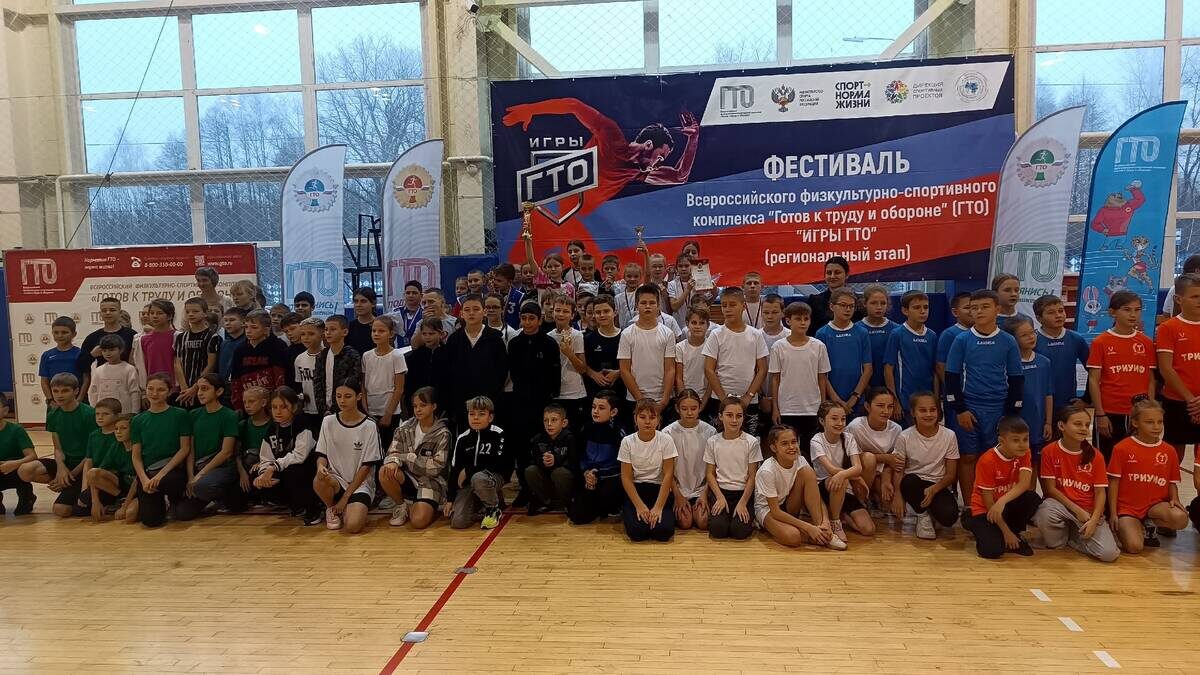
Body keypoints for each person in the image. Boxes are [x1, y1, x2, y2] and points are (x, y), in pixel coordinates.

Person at [502, 98, 699, 255]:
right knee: (520, 261)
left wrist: (693, 138)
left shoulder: (639, 172)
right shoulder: (611, 136)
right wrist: (531, 109)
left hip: (571, 223)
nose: (659, 163)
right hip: (549, 213)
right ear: (648, 145)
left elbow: (680, 176)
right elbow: (574, 105)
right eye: (660, 156)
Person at [945, 289, 1024, 515]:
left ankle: (992, 504)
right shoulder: (962, 340)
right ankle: (971, 506)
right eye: (974, 308)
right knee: (968, 456)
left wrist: (1010, 413)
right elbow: (951, 377)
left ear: (997, 310)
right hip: (969, 407)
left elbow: (1017, 378)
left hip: (998, 409)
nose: (979, 311)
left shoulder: (1008, 341)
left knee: (992, 457)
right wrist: (960, 409)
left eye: (985, 307)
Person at [1034, 402, 1119, 562]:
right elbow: (1050, 490)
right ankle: (1062, 539)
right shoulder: (1049, 451)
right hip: (1062, 506)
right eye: (1078, 424)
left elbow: (1101, 493)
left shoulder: (1096, 456)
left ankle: (1075, 538)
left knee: (1109, 554)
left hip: (1088, 511)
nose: (1083, 428)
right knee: (1045, 512)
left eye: (1087, 425)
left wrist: (1094, 520)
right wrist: (1076, 510)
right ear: (1061, 426)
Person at [1107, 396, 1189, 552]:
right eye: (1150, 422)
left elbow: (1172, 481)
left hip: (1155, 505)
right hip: (1128, 508)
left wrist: (1175, 498)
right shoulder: (1122, 448)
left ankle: (1150, 523)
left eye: (1160, 422)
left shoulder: (1169, 450)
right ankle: (1130, 528)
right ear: (1135, 422)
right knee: (1134, 547)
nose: (1156, 426)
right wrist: (1113, 513)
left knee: (1180, 518)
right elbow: (1113, 482)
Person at [1087, 290, 1156, 461]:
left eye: (1137, 310)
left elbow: (1151, 380)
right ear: (1112, 312)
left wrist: (1149, 410)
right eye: (1127, 309)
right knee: (1106, 460)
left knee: (1136, 460)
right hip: (1110, 412)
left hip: (1137, 413)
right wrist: (1100, 414)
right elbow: (1094, 380)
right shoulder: (1101, 342)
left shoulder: (1146, 343)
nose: (1133, 314)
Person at [17, 373, 96, 517]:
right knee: (25, 470)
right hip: (67, 464)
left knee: (61, 510)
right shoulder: (53, 414)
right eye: (56, 391)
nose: (59, 395)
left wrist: (71, 475)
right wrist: (60, 468)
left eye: (65, 391)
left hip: (85, 466)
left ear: (76, 391)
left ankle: (81, 493)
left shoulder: (89, 414)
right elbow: (58, 448)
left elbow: (92, 452)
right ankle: (65, 486)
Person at [963, 416, 1040, 559]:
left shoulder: (1025, 452)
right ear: (1002, 441)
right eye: (1016, 440)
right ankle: (972, 520)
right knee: (991, 551)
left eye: (1025, 439)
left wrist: (1002, 501)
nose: (1022, 445)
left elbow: (1024, 484)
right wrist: (1006, 532)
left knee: (1032, 498)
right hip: (986, 507)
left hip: (1002, 504)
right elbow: (988, 503)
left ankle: (1014, 532)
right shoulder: (987, 460)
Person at [755, 425, 843, 550]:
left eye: (794, 442)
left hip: (788, 503)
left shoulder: (800, 460)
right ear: (774, 448)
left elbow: (817, 497)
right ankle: (819, 536)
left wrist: (826, 522)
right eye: (784, 444)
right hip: (768, 510)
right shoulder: (767, 470)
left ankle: (822, 530)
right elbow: (776, 512)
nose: (791, 447)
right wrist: (808, 527)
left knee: (807, 472)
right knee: (793, 537)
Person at [313, 381, 382, 534]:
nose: (342, 400)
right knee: (318, 480)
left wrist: (345, 497)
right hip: (336, 480)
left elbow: (367, 466)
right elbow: (321, 454)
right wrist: (320, 466)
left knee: (353, 526)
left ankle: (349, 507)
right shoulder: (328, 421)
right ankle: (331, 508)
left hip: (360, 484)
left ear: (358, 396)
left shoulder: (370, 426)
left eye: (347, 396)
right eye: (338, 396)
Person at [889, 392, 960, 539]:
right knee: (909, 481)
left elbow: (951, 475)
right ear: (913, 413)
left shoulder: (949, 435)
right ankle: (922, 515)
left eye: (932, 410)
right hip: (914, 484)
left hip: (938, 484)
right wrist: (897, 494)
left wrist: (934, 489)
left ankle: (931, 512)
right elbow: (898, 469)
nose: (928, 414)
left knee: (949, 517)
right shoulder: (905, 436)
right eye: (922, 410)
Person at [379, 387, 452, 529]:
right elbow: (391, 453)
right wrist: (394, 461)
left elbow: (435, 468)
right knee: (385, 470)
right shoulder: (404, 427)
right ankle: (401, 505)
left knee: (418, 522)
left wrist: (407, 458)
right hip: (408, 477)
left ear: (434, 406)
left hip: (430, 482)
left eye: (423, 405)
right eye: (415, 406)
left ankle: (421, 504)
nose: (418, 409)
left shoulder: (443, 433)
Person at [129, 373, 193, 527]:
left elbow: (185, 448)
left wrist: (160, 474)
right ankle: (158, 501)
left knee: (166, 482)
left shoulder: (180, 415)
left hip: (172, 471)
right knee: (150, 521)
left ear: (169, 392)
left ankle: (174, 498)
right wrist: (144, 479)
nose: (154, 393)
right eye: (150, 389)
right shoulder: (138, 420)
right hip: (148, 473)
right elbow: (136, 456)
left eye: (160, 390)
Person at [703, 286, 769, 433]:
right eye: (724, 305)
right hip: (720, 399)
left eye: (732, 305)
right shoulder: (716, 334)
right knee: (719, 439)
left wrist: (749, 396)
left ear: (743, 306)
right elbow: (708, 369)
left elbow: (762, 369)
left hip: (748, 400)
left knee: (749, 440)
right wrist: (723, 398)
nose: (727, 309)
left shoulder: (755, 335)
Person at [252, 387, 322, 525]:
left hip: (307, 469)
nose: (278, 411)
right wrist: (263, 475)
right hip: (282, 467)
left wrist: (274, 467)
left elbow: (300, 456)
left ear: (294, 407)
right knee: (256, 476)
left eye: (283, 407)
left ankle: (314, 508)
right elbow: (266, 457)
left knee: (294, 470)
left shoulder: (302, 423)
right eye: (274, 407)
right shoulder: (272, 428)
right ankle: (295, 504)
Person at [175, 375, 240, 520]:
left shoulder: (229, 416)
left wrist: (200, 475)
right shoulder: (193, 415)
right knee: (182, 513)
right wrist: (191, 476)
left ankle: (222, 496)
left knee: (202, 485)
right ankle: (207, 500)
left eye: (204, 389)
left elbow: (226, 452)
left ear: (219, 391)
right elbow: (190, 449)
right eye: (198, 389)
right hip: (199, 468)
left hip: (221, 468)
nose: (200, 393)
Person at [810, 401, 874, 547]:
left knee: (868, 529)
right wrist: (854, 477)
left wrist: (849, 475)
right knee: (840, 479)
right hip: (823, 487)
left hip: (844, 487)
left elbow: (858, 467)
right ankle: (835, 520)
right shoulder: (817, 440)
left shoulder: (848, 438)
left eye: (843, 419)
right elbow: (832, 470)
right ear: (822, 421)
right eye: (834, 419)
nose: (840, 423)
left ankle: (842, 514)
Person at [770, 301, 830, 456]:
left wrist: (823, 406)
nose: (803, 323)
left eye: (806, 319)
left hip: (812, 408)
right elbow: (775, 379)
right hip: (787, 408)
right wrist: (775, 407)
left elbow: (822, 378)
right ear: (788, 321)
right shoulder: (778, 347)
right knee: (789, 450)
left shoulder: (818, 346)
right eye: (798, 319)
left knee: (812, 451)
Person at [444, 294, 508, 432]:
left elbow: (502, 371)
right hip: (462, 402)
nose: (471, 313)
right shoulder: (454, 340)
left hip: (489, 400)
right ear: (461, 314)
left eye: (476, 309)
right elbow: (448, 373)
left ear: (484, 312)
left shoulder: (495, 338)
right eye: (467, 310)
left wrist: (492, 396)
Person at [1155, 272, 1200, 465]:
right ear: (1178, 299)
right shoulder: (1168, 328)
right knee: (1174, 457)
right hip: (1177, 401)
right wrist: (1191, 401)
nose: (1199, 300)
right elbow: (1166, 369)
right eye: (1195, 296)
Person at [619, 398, 678, 542]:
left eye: (652, 417)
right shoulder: (627, 442)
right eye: (642, 417)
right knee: (637, 533)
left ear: (658, 420)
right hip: (637, 490)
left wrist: (658, 507)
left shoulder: (666, 440)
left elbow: (668, 475)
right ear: (635, 418)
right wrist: (640, 506)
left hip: (659, 489)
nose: (647, 422)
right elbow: (626, 478)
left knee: (663, 532)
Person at [703, 397, 762, 540]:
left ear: (743, 418)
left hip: (743, 493)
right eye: (729, 415)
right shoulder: (713, 441)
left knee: (739, 532)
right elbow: (710, 474)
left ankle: (749, 517)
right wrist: (719, 497)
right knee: (718, 530)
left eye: (739, 416)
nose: (734, 420)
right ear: (720, 416)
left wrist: (743, 502)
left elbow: (752, 476)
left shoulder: (751, 442)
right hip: (721, 492)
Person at [618, 284, 676, 426]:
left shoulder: (668, 334)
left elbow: (670, 369)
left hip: (662, 399)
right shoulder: (627, 334)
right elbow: (624, 370)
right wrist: (641, 400)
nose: (648, 306)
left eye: (652, 303)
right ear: (636, 305)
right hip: (635, 399)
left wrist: (664, 401)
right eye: (643, 303)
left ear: (658, 305)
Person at [449, 396, 507, 530]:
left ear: (490, 417)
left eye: (481, 414)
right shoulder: (462, 438)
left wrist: (469, 471)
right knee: (458, 522)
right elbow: (455, 469)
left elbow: (499, 463)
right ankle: (480, 505)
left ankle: (493, 509)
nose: (475, 418)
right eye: (471, 414)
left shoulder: (499, 434)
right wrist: (450, 499)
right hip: (468, 484)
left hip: (492, 478)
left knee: (478, 478)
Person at [568, 390, 625, 524]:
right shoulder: (586, 428)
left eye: (601, 408)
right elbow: (581, 455)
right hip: (589, 477)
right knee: (577, 517)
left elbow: (623, 465)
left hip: (610, 479)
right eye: (593, 407)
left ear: (613, 412)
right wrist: (586, 472)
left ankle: (611, 508)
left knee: (608, 493)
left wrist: (597, 474)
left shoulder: (619, 432)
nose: (595, 411)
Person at [664, 389, 716, 531]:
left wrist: (704, 494)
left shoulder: (710, 432)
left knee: (703, 523)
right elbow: (666, 469)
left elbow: (714, 468)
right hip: (678, 488)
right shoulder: (668, 433)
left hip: (702, 488)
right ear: (677, 409)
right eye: (684, 409)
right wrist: (677, 495)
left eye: (693, 408)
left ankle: (697, 506)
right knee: (685, 523)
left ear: (700, 408)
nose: (689, 413)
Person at [884, 290, 938, 422]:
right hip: (904, 400)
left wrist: (936, 399)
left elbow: (935, 370)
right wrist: (894, 401)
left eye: (926, 307)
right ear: (905, 310)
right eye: (917, 307)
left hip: (926, 401)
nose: (922, 311)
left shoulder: (932, 335)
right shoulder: (897, 334)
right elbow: (888, 369)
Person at [816, 288, 872, 415]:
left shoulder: (861, 333)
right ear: (832, 306)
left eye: (851, 306)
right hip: (832, 399)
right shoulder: (822, 334)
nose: (848, 309)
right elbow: (821, 372)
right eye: (843, 305)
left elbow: (868, 369)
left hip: (857, 399)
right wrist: (835, 399)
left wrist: (855, 397)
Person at [1007, 316, 1053, 466]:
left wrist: (1048, 422)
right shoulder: (1007, 363)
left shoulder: (1044, 362)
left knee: (1034, 463)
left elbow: (1048, 394)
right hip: (1015, 422)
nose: (1031, 337)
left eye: (1032, 332)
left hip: (1037, 424)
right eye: (1024, 335)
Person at [77, 399, 134, 521]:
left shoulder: (126, 442)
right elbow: (92, 467)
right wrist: (94, 500)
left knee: (130, 515)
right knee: (82, 504)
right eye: (97, 414)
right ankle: (120, 499)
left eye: (105, 414)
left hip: (130, 482)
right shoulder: (95, 436)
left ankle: (123, 502)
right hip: (112, 482)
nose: (100, 417)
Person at [845, 388, 902, 509]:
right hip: (859, 474)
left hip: (883, 473)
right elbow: (848, 458)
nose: (886, 411)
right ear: (867, 406)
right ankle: (860, 501)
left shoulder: (896, 429)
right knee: (869, 458)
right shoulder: (855, 427)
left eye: (890, 407)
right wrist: (885, 457)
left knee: (888, 503)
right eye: (880, 406)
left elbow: (894, 460)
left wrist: (886, 480)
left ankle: (875, 495)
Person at [1032, 294, 1089, 409]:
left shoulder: (1076, 339)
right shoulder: (1032, 340)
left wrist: (1086, 399)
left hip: (1068, 404)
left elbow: (1094, 371)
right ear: (1039, 318)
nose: (1058, 315)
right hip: (1038, 404)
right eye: (1051, 312)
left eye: (1061, 311)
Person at [362, 316, 407, 450]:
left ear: (391, 334)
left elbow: (399, 389)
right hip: (370, 411)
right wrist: (365, 410)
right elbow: (363, 386)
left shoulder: (397, 356)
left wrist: (388, 414)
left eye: (381, 331)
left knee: (387, 447)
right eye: (374, 331)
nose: (376, 334)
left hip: (390, 412)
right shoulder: (366, 356)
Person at [229, 310, 288, 413]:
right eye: (246, 327)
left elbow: (281, 377)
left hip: (271, 401)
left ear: (266, 329)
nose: (248, 331)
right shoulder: (240, 349)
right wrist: (237, 404)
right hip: (248, 401)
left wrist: (278, 400)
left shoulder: (277, 346)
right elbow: (236, 379)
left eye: (254, 327)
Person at [77, 297, 137, 398]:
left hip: (127, 383)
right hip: (104, 385)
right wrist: (92, 355)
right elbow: (80, 365)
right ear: (100, 314)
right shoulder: (93, 337)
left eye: (112, 310)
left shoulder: (132, 335)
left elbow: (140, 361)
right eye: (104, 310)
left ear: (120, 312)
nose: (108, 313)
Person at [524, 403, 576, 514]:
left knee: (560, 473)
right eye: (545, 420)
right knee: (530, 470)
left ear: (564, 423)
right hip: (546, 478)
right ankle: (545, 502)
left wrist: (556, 460)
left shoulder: (570, 439)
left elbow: (575, 462)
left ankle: (567, 502)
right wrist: (542, 461)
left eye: (554, 420)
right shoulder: (538, 439)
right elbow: (532, 460)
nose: (549, 424)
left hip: (564, 479)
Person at [550, 295, 589, 432]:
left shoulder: (577, 335)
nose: (561, 314)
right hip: (555, 393)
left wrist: (569, 353)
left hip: (574, 394)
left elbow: (582, 368)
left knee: (573, 432)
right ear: (552, 312)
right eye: (558, 310)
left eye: (566, 311)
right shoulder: (548, 336)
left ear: (572, 315)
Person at [173, 298, 221, 409]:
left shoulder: (212, 337)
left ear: (205, 313)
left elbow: (211, 365)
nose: (190, 314)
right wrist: (184, 387)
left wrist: (195, 388)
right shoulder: (181, 337)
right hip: (184, 389)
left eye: (195, 311)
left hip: (204, 388)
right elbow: (177, 363)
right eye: (187, 311)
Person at [313, 315, 362, 418]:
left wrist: (336, 408)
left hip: (345, 409)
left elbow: (352, 383)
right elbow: (317, 383)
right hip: (324, 410)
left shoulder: (352, 355)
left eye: (333, 329)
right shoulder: (322, 355)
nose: (328, 332)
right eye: (326, 329)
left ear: (345, 332)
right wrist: (323, 409)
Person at [403, 318, 449, 417]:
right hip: (418, 404)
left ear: (441, 334)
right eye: (424, 334)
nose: (427, 337)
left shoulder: (449, 355)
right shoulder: (414, 357)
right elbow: (409, 384)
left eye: (431, 334)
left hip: (442, 405)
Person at [0, 393, 37, 515]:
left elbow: (32, 456)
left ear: (5, 410)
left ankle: (27, 496)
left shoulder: (16, 430)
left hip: (16, 472)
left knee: (22, 511)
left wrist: (13, 464)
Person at [806, 256, 862, 335]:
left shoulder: (859, 301)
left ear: (847, 274)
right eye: (829, 273)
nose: (832, 276)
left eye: (837, 272)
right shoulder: (814, 301)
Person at [236, 386, 272, 508]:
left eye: (251, 401)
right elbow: (237, 454)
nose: (247, 405)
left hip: (265, 464)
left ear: (263, 403)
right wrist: (242, 473)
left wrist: (262, 462)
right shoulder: (243, 425)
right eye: (245, 402)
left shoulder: (273, 424)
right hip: (245, 465)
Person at [131, 299, 177, 392]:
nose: (155, 316)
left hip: (174, 388)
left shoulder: (178, 336)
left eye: (159, 313)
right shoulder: (142, 340)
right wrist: (145, 389)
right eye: (152, 313)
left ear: (170, 316)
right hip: (152, 389)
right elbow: (141, 366)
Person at [289, 317, 324, 437]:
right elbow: (299, 384)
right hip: (308, 409)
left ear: (322, 334)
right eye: (303, 334)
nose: (306, 337)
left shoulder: (328, 356)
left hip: (326, 409)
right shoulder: (299, 359)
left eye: (311, 334)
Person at [88, 335, 140, 415]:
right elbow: (93, 392)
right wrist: (95, 411)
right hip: (103, 414)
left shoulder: (129, 369)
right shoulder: (98, 370)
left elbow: (135, 392)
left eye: (112, 350)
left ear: (121, 350)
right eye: (104, 351)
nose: (108, 353)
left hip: (124, 413)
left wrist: (134, 413)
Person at [584, 295, 624, 399]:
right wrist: (594, 374)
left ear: (615, 312)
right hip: (595, 391)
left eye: (606, 311)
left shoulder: (626, 336)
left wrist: (618, 373)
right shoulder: (588, 338)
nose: (602, 315)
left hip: (621, 390)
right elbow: (583, 364)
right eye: (598, 312)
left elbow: (634, 362)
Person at [40, 316, 82, 410]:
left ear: (74, 334)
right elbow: (44, 381)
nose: (60, 335)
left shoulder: (80, 354)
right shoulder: (47, 355)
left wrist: (80, 398)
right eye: (56, 332)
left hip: (77, 401)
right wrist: (50, 400)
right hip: (55, 403)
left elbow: (86, 378)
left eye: (64, 332)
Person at [860, 285, 896, 390]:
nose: (879, 307)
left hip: (890, 385)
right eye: (874, 303)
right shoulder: (856, 329)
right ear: (865, 303)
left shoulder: (896, 329)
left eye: (883, 303)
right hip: (863, 386)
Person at [675, 307, 711, 404]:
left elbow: (713, 376)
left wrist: (704, 400)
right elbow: (679, 378)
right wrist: (685, 399)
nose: (697, 326)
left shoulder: (712, 346)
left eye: (702, 323)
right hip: (686, 396)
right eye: (694, 323)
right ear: (687, 324)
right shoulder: (680, 347)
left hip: (706, 397)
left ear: (708, 325)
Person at [388, 280, 425, 348]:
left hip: (420, 350)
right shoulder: (395, 313)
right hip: (400, 352)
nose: (411, 295)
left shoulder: (425, 314)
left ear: (421, 295)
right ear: (404, 295)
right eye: (408, 293)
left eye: (414, 293)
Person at [217, 307, 248, 383]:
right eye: (225, 320)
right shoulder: (224, 343)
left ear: (243, 322)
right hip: (223, 384)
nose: (227, 323)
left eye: (232, 320)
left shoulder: (248, 342)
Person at [347, 287, 379, 355]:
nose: (358, 305)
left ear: (373, 303)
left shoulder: (381, 326)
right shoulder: (349, 327)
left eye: (363, 301)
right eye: (356, 301)